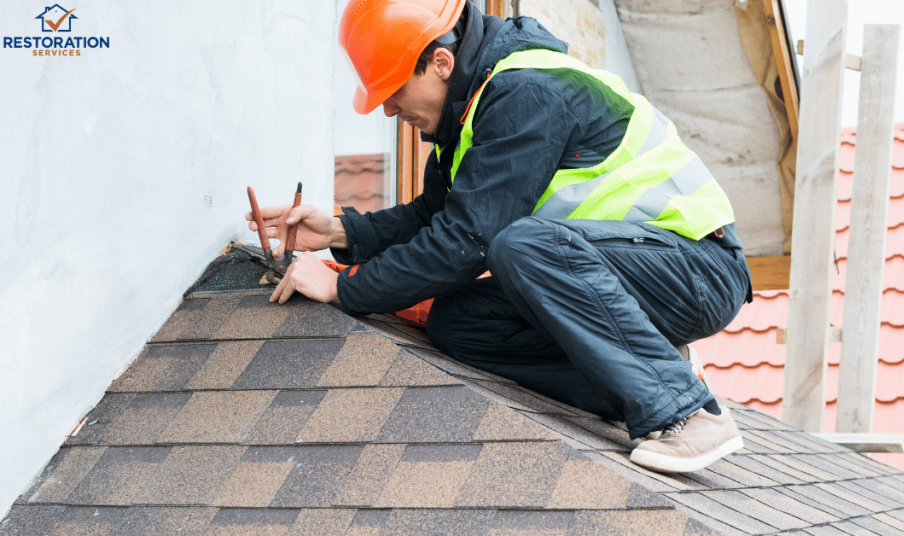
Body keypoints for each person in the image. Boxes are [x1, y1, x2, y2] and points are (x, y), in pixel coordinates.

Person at [247, 0, 753, 473]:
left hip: (698, 267)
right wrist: (338, 231)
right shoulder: (473, 112)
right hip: (626, 276)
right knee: (459, 322)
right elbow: (436, 217)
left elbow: (466, 242)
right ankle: (653, 372)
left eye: (394, 88)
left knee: (520, 245)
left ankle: (686, 414)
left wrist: (343, 288)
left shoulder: (525, 91)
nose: (387, 109)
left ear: (442, 63)